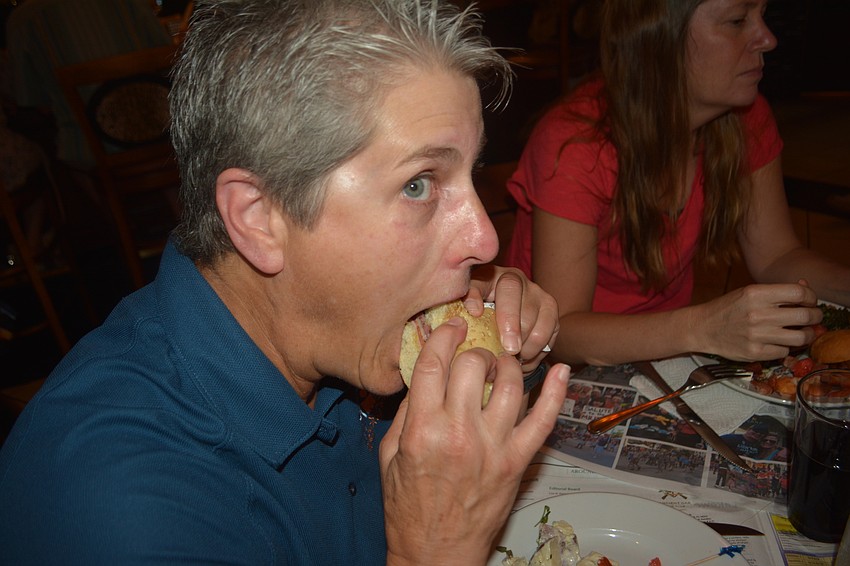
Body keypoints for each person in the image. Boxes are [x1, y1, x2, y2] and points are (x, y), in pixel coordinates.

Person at [0, 1, 569, 564]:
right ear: (258, 219)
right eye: (419, 184)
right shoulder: (127, 510)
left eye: (468, 175)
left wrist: (493, 367)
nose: (486, 241)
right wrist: (432, 554)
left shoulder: (341, 339)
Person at [503, 0, 850, 367]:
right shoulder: (575, 144)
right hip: (558, 369)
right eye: (737, 21)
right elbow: (562, 332)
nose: (768, 39)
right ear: (660, 39)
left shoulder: (747, 118)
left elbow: (777, 256)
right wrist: (704, 327)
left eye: (762, 16)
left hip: (666, 359)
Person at [5, 0, 172, 170]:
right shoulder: (133, 3)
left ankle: (103, 194)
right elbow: (169, 62)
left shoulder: (24, 19)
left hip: (89, 149)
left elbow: (31, 99)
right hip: (162, 132)